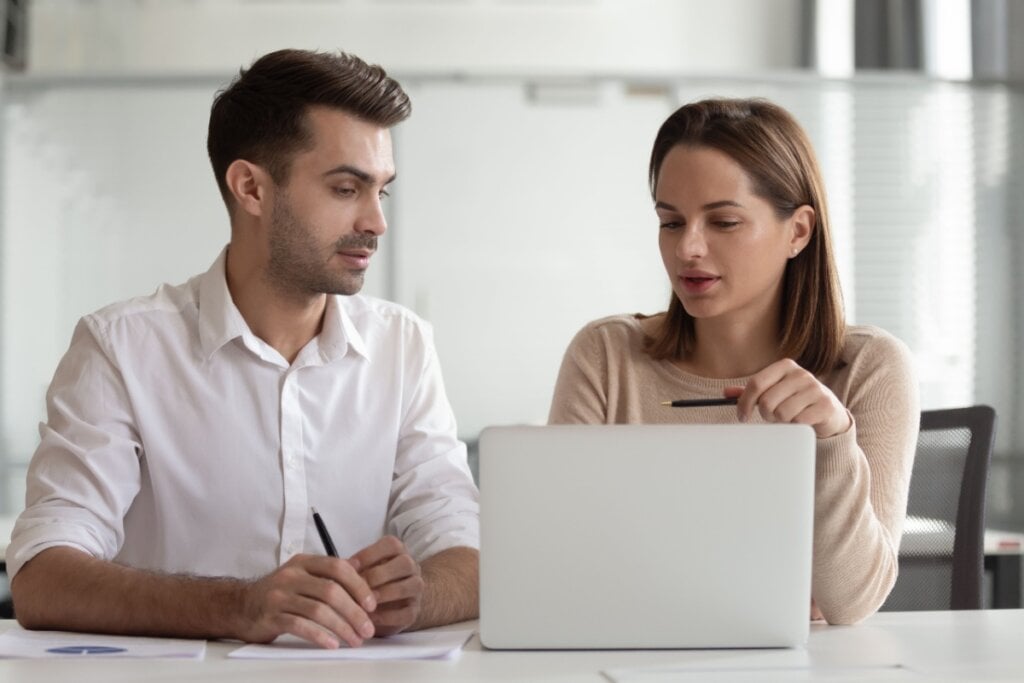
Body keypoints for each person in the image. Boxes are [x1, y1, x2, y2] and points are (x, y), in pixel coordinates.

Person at [8, 48, 480, 649]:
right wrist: (239, 606)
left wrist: (418, 597)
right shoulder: (121, 348)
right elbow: (43, 578)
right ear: (251, 187)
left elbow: (467, 553)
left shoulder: (403, 346)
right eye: (345, 188)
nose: (375, 222)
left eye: (380, 192)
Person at [548, 97, 919, 625]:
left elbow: (850, 601)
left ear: (798, 231)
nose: (688, 249)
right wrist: (768, 586)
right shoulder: (607, 355)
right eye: (671, 223)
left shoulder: (870, 367)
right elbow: (559, 567)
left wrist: (833, 439)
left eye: (723, 222)